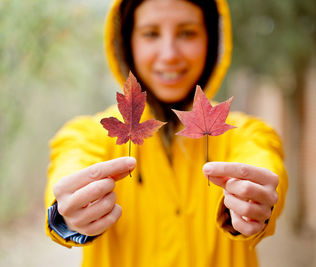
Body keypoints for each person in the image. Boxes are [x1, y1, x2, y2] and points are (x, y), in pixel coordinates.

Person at [44, 0, 288, 266]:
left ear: (211, 40)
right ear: (128, 42)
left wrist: (253, 203)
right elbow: (70, 164)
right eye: (151, 33)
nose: (169, 54)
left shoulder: (247, 133)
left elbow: (264, 162)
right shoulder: (87, 135)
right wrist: (65, 215)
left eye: (187, 33)